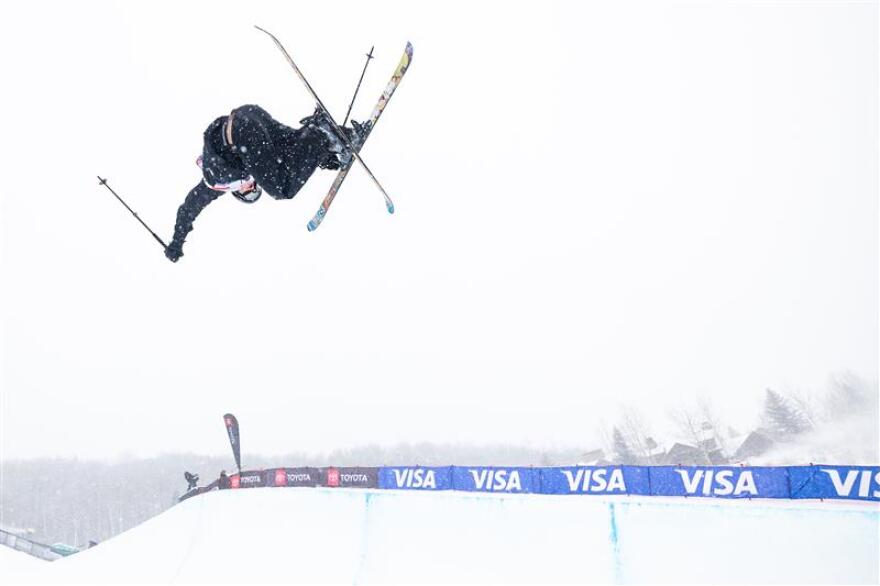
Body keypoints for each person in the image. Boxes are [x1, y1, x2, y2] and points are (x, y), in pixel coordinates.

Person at [165, 105, 370, 262]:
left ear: (237, 192)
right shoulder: (242, 166)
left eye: (250, 191)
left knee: (283, 188)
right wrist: (328, 159)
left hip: (239, 134)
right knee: (290, 147)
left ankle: (322, 135)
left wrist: (177, 241)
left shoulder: (213, 183)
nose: (253, 185)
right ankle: (334, 135)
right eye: (255, 190)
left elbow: (188, 208)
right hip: (249, 114)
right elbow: (292, 158)